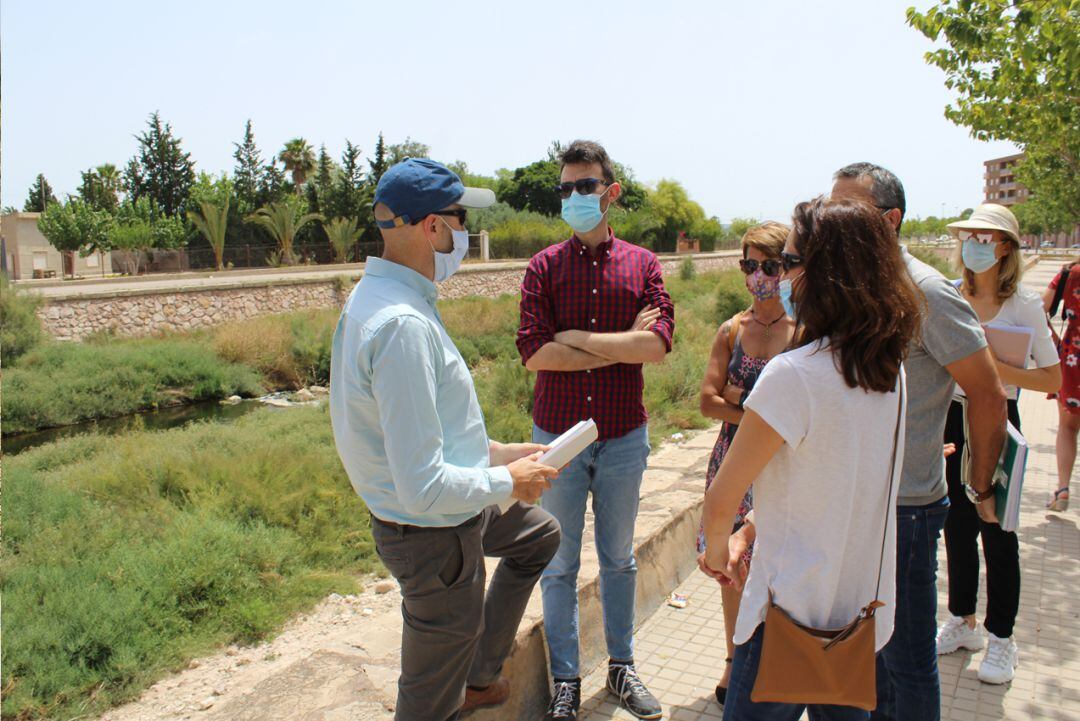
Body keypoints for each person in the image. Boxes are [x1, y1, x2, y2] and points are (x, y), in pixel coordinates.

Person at [329, 158, 563, 721]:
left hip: (447, 511)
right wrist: (508, 480)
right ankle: (463, 683)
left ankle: (479, 675)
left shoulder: (386, 302)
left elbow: (420, 433)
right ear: (432, 228)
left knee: (538, 538)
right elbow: (423, 487)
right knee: (428, 704)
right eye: (460, 220)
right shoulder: (402, 327)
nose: (465, 233)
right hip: (434, 534)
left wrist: (500, 456)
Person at [699, 196, 922, 720]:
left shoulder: (794, 374)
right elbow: (826, 483)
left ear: (829, 274)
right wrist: (748, 532)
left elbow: (721, 498)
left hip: (784, 617)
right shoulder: (888, 371)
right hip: (856, 616)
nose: (779, 278)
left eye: (790, 263)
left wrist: (717, 555)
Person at [830, 163, 1007, 721]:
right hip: (854, 506)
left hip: (905, 513)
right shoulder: (851, 290)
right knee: (868, 653)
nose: (835, 223)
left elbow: (988, 393)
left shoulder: (927, 293)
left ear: (890, 220)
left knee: (906, 660)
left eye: (849, 212)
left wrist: (979, 486)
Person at [516, 140, 675, 721]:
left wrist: (576, 340)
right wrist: (616, 347)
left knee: (618, 559)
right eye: (566, 188)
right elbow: (534, 354)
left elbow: (655, 346)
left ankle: (622, 666)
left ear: (610, 192)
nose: (574, 197)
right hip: (557, 438)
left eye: (585, 186)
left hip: (622, 437)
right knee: (557, 565)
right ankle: (565, 681)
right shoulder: (543, 266)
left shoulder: (643, 263)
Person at [936, 204, 1061, 684]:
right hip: (951, 418)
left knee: (998, 531)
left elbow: (1050, 375)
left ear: (1006, 246)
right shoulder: (949, 296)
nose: (975, 246)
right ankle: (962, 621)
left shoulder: (1024, 304)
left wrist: (987, 368)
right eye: (970, 237)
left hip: (997, 418)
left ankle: (1002, 638)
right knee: (957, 526)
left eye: (986, 239)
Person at [697, 221, 795, 709]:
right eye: (750, 265)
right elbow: (708, 401)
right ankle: (735, 660)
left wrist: (744, 401)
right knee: (732, 569)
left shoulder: (803, 333)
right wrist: (756, 412)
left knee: (774, 563)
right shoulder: (732, 329)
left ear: (789, 269)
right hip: (732, 461)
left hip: (781, 464)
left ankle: (774, 659)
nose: (759, 276)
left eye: (770, 266)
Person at [1043, 260, 1080, 511]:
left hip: (1073, 356)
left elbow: (1039, 310)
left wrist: (1055, 342)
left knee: (1067, 426)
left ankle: (1063, 488)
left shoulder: (1071, 273)